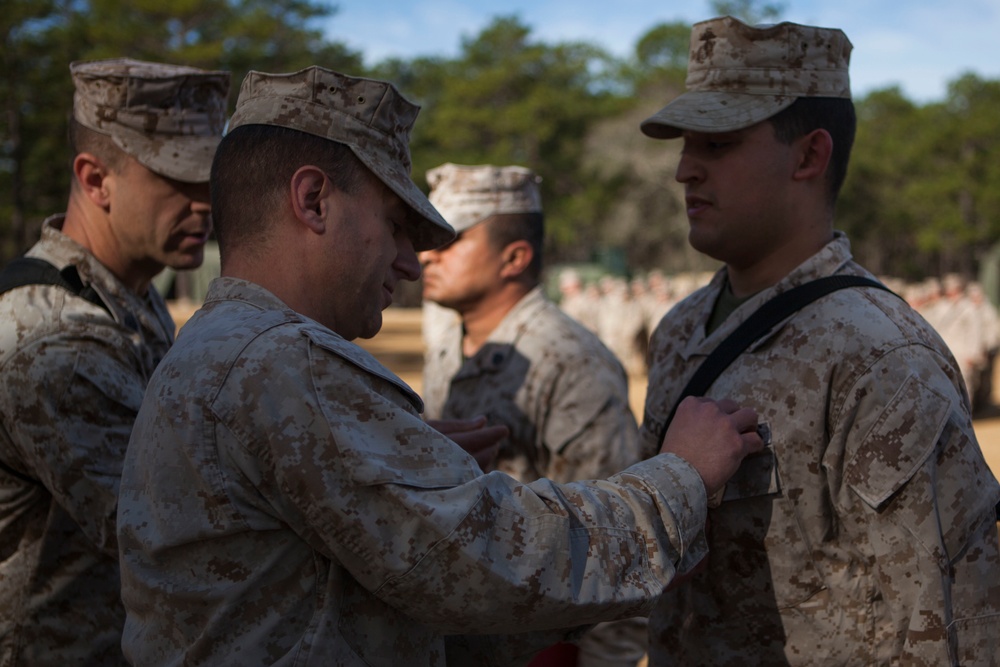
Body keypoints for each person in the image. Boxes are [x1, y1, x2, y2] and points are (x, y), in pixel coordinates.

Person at [116, 65, 764, 667]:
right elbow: (492, 555)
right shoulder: (284, 362)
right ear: (313, 200)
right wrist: (680, 479)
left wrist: (405, 471)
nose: (409, 261)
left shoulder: (223, 344)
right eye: (396, 226)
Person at [637, 16, 1000, 665]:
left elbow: (940, 627)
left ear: (809, 155)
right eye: (685, 144)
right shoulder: (680, 331)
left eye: (717, 144)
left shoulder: (882, 357)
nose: (684, 170)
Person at [0, 59, 229, 664]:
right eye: (179, 180)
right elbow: (172, 534)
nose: (207, 203)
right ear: (96, 179)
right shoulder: (54, 339)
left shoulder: (130, 295)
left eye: (212, 179)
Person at [419, 163, 647, 666]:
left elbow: (615, 540)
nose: (426, 256)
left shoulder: (571, 361)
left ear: (515, 257)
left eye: (450, 242)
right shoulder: (445, 353)